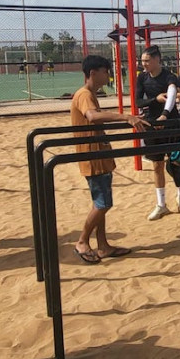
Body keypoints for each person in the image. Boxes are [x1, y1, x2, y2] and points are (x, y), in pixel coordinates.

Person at [71, 55, 149, 263]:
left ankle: (103, 245)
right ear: (93, 73)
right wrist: (126, 117)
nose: (108, 75)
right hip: (92, 156)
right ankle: (82, 241)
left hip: (100, 153)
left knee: (101, 203)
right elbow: (93, 116)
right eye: (105, 71)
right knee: (102, 203)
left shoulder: (91, 94)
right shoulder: (84, 94)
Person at [135, 45, 180, 220]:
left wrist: (165, 115)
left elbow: (172, 93)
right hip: (152, 125)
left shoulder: (169, 76)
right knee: (156, 165)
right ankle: (161, 204)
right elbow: (138, 102)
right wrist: (154, 100)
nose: (144, 64)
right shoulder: (142, 78)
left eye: (147, 61)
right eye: (142, 60)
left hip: (171, 123)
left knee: (176, 161)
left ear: (157, 60)